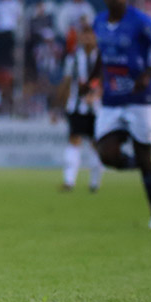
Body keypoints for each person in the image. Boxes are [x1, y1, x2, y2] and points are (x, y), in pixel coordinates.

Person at [90, 0, 151, 229]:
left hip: (141, 100)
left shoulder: (140, 21)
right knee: (106, 153)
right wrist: (91, 80)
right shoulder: (99, 22)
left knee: (143, 151)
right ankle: (144, 165)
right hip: (112, 99)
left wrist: (148, 74)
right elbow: (102, 56)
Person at [54, 25, 103, 192]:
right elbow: (66, 82)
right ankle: (69, 181)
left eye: (91, 35)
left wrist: (97, 95)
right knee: (74, 140)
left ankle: (94, 183)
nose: (88, 39)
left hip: (98, 109)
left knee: (96, 144)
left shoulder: (102, 57)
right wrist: (57, 107)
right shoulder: (73, 58)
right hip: (76, 107)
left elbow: (107, 82)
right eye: (85, 35)